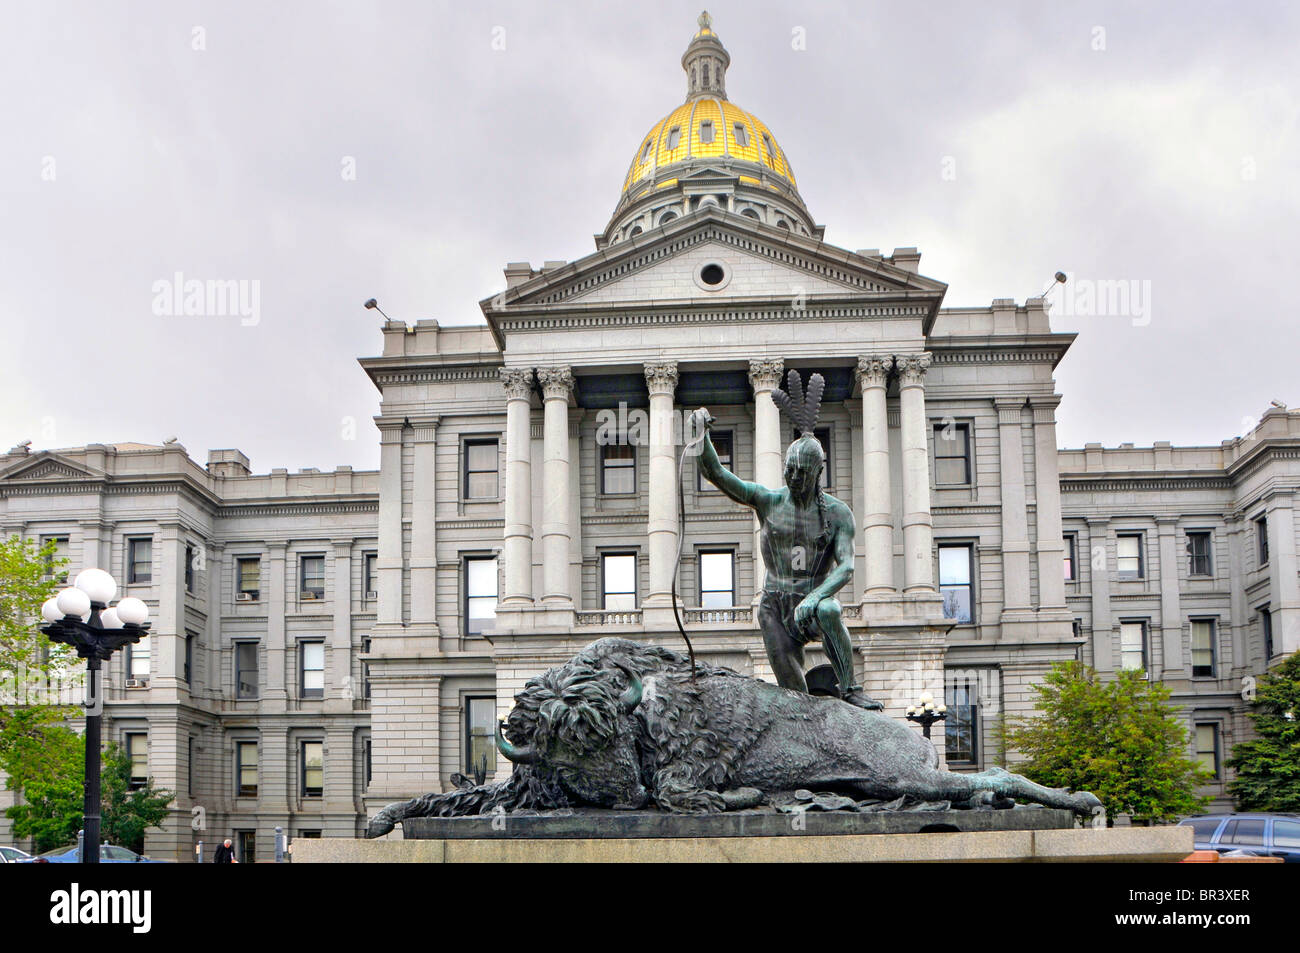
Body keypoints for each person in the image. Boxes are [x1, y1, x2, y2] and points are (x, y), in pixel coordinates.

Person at [690, 371, 882, 710]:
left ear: (818, 472)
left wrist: (815, 596)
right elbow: (716, 473)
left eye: (802, 472)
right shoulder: (768, 500)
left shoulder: (838, 514)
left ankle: (850, 687)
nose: (793, 477)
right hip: (775, 606)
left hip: (810, 604)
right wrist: (701, 434)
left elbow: (847, 566)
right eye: (789, 469)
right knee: (796, 699)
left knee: (829, 608)